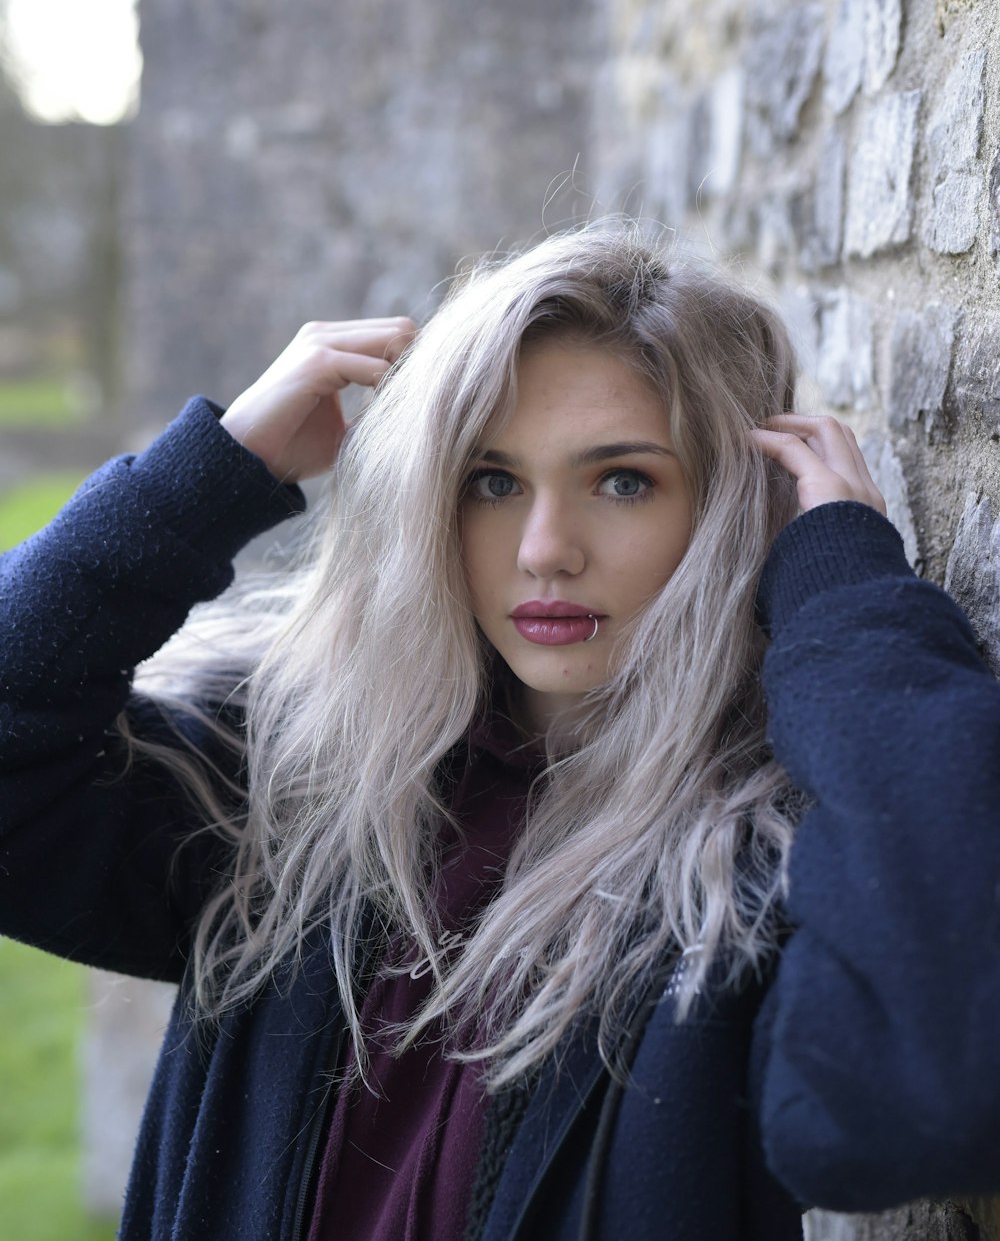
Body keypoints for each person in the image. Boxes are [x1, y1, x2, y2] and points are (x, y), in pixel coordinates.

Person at [2, 220, 999, 1241]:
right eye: (492, 481)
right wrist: (206, 473)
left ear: (732, 506)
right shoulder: (303, 801)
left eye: (622, 480)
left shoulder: (749, 874)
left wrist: (848, 600)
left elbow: (941, 1084)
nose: (544, 550)